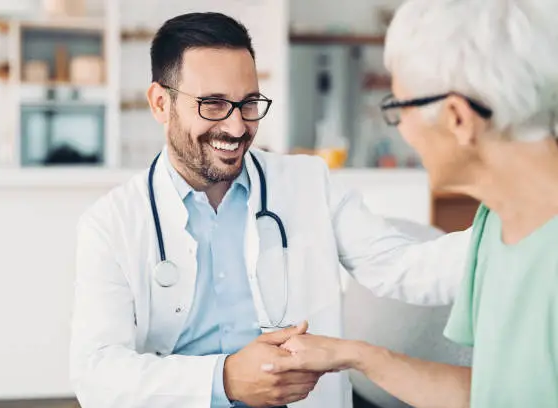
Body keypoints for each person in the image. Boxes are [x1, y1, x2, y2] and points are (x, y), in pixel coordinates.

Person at [69, 11, 470, 408]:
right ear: (160, 103)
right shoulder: (111, 224)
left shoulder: (308, 183)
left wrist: (516, 225)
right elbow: (97, 373)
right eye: (212, 104)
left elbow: (405, 266)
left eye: (248, 103)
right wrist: (224, 380)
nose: (237, 127)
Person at [267, 0, 558, 407]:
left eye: (401, 108)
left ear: (457, 118)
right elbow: (489, 393)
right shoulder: (497, 225)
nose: (402, 128)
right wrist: (354, 355)